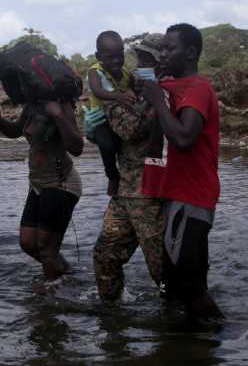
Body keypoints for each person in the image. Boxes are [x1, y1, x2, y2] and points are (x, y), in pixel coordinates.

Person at [142, 23, 224, 319]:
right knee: (171, 283)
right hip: (174, 196)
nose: (162, 54)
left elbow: (184, 138)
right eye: (161, 48)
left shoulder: (198, 88)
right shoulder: (167, 87)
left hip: (193, 196)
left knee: (189, 285)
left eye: (169, 48)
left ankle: (225, 335)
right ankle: (185, 345)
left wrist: (156, 101)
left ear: (189, 53)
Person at [93, 33, 166, 301]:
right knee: (105, 256)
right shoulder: (125, 90)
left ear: (160, 64)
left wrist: (155, 97)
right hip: (127, 190)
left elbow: (132, 129)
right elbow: (127, 129)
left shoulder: (169, 92)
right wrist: (149, 100)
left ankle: (179, 320)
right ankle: (111, 313)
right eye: (139, 57)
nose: (139, 64)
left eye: (146, 59)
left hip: (151, 193)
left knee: (160, 268)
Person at [0, 95, 83, 281]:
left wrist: (58, 115)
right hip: (38, 183)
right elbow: (15, 130)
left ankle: (50, 294)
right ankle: (66, 275)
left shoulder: (62, 104)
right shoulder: (32, 106)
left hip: (60, 182)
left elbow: (77, 147)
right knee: (27, 243)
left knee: (46, 246)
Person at [85, 30, 137, 196]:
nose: (116, 61)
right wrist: (119, 96)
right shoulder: (95, 70)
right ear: (98, 56)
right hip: (101, 120)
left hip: (122, 120)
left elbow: (135, 90)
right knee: (107, 147)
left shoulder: (127, 74)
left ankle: (125, 179)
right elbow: (97, 91)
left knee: (123, 148)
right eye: (110, 57)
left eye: (119, 55)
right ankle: (112, 176)